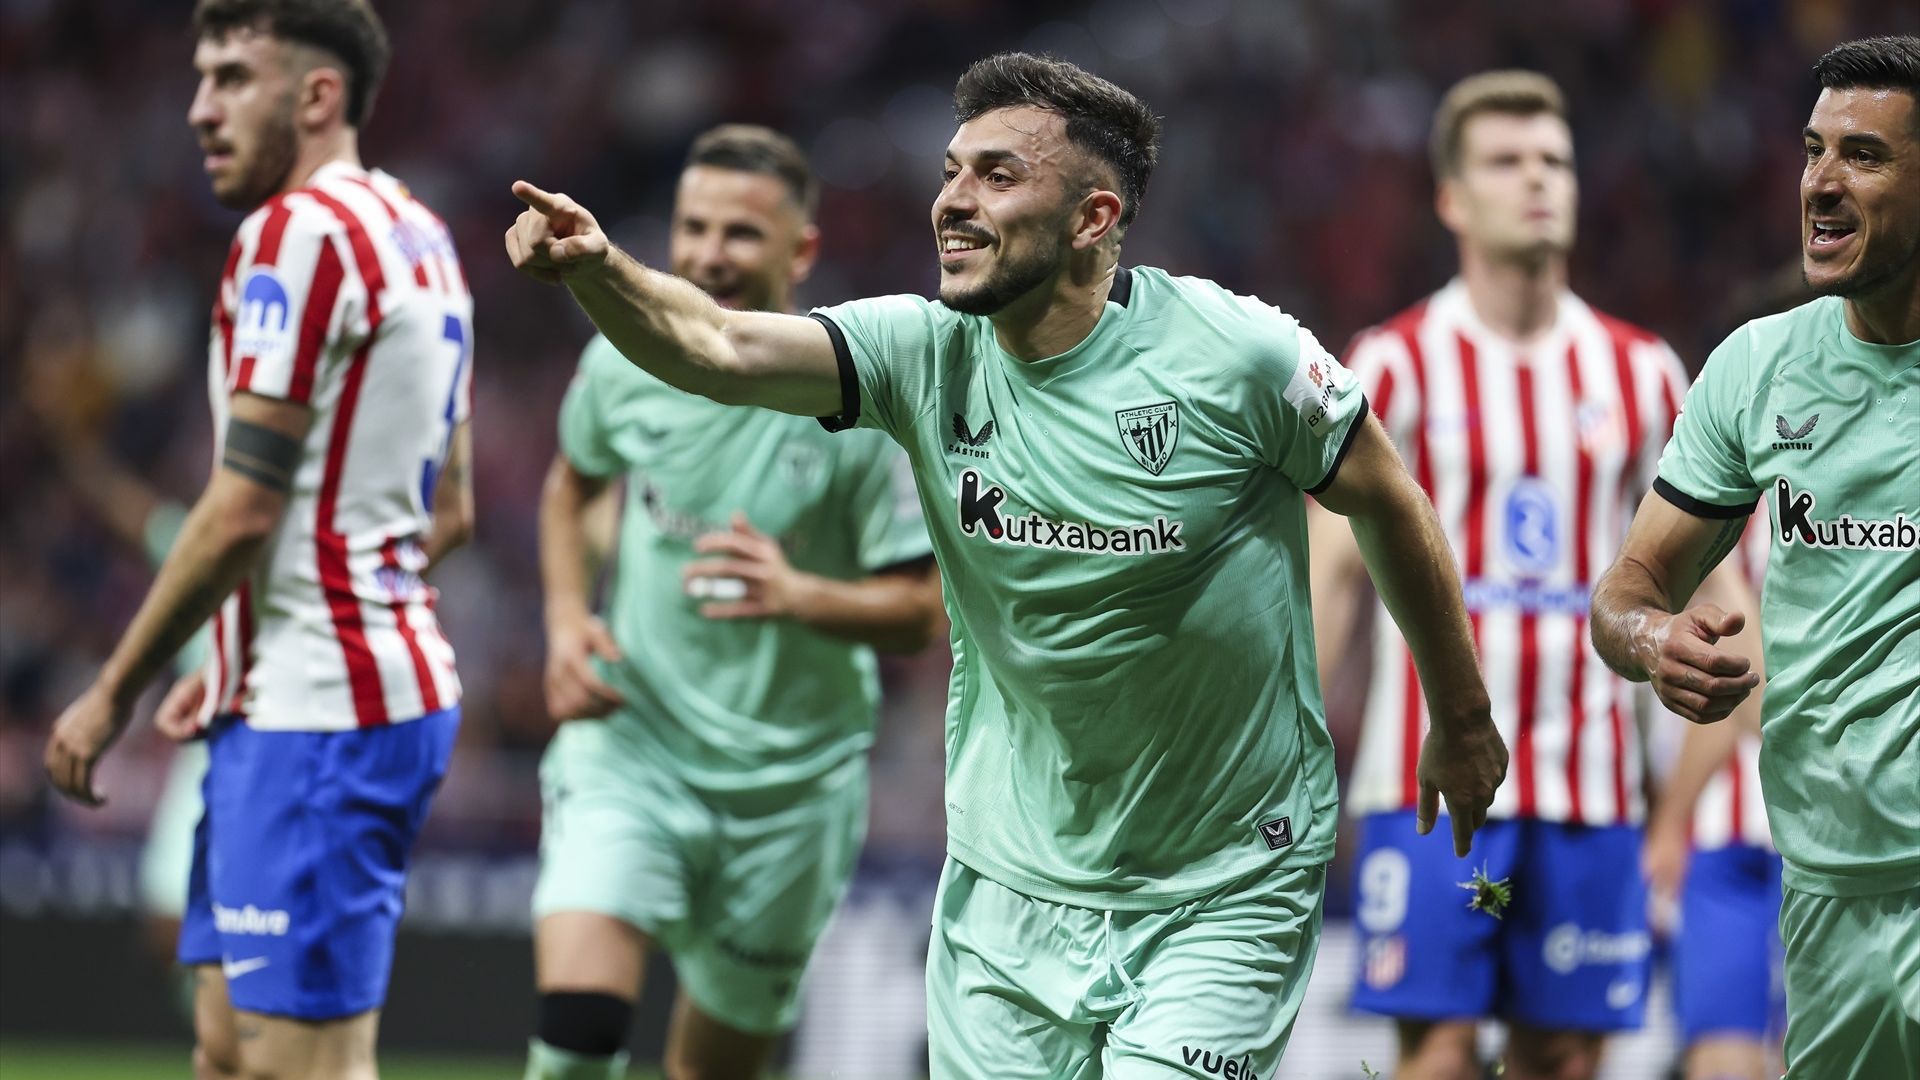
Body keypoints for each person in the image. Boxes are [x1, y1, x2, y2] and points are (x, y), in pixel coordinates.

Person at [508, 52, 1507, 1077]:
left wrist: (1461, 716)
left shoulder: (1236, 356)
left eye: (997, 175)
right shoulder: (920, 352)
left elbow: (1387, 495)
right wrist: (600, 265)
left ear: (1092, 219)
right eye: (951, 171)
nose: (953, 200)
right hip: (1011, 877)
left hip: (1225, 875)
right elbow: (715, 346)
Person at [42, 2, 476, 1077]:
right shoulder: (421, 234)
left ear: (318, 96)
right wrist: (244, 649)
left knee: (305, 1068)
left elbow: (242, 506)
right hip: (290, 694)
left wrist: (114, 690)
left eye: (234, 77)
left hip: (324, 717)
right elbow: (449, 510)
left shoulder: (295, 234)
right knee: (227, 1052)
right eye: (200, 77)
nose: (200, 109)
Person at [1308, 70, 1758, 1080]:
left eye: (1554, 160)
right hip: (1423, 793)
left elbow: (1721, 605)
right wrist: (1295, 772)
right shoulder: (1394, 363)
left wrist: (1678, 807)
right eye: (1507, 163)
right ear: (1453, 199)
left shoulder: (1643, 372)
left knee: (1563, 1062)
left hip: (1592, 798)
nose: (1538, 180)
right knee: (1438, 1056)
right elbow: (1327, 581)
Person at [525, 124, 943, 1080]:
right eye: (693, 227)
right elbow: (573, 486)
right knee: (574, 1042)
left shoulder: (859, 402)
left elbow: (921, 613)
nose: (711, 253)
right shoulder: (620, 360)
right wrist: (563, 618)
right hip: (632, 749)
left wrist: (796, 593)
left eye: (742, 234)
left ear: (802, 251)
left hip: (790, 792)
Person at [1590, 34, 1920, 1080]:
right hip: (1828, 884)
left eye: (1862, 155)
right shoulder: (1760, 365)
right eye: (1813, 150)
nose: (1820, 182)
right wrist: (1653, 642)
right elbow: (1626, 592)